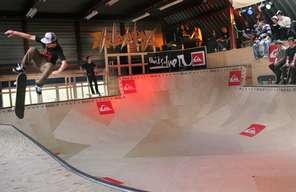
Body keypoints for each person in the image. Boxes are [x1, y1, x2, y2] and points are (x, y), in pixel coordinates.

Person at [4, 30, 69, 95]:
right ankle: (22, 67)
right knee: (32, 49)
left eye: (48, 44)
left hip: (45, 67)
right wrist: (14, 32)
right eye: (45, 43)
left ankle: (39, 85)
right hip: (39, 61)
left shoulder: (58, 50)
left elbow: (64, 63)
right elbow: (29, 36)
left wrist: (58, 71)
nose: (46, 44)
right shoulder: (44, 42)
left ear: (53, 42)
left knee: (50, 65)